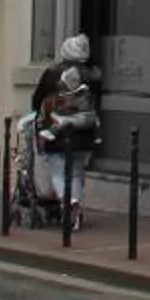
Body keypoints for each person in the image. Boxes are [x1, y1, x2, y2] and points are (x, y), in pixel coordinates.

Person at [34, 41, 100, 228]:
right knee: (77, 172)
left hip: (57, 131)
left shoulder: (52, 72)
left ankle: (67, 205)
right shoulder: (93, 74)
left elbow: (37, 98)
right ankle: (75, 207)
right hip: (85, 131)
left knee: (58, 171)